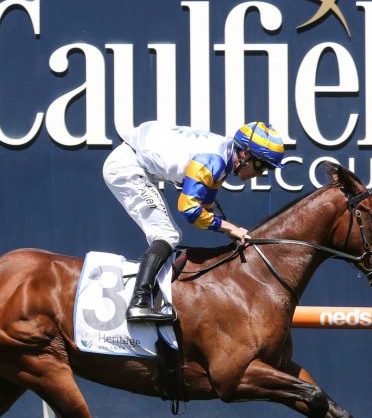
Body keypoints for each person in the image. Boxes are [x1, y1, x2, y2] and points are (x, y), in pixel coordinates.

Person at [102, 120, 287, 323]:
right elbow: (189, 210)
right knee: (167, 235)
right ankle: (139, 303)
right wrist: (229, 228)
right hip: (127, 167)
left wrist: (229, 230)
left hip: (138, 163)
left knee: (168, 234)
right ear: (244, 154)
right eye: (261, 165)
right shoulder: (213, 160)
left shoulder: (222, 158)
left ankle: (148, 295)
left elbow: (205, 207)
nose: (260, 173)